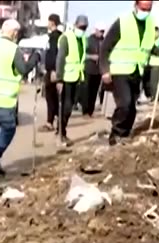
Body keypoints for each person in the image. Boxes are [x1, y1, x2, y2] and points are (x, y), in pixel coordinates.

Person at [100, 0, 157, 146]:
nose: (145, 12)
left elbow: (148, 46)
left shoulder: (150, 24)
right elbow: (106, 46)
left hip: (137, 70)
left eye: (148, 9)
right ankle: (116, 135)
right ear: (135, 5)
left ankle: (125, 135)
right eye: (143, 8)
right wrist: (105, 70)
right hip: (119, 71)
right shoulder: (123, 21)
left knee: (131, 108)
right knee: (124, 104)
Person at [0, 19, 33, 176]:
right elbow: (22, 69)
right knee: (9, 129)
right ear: (14, 33)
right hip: (5, 100)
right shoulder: (13, 49)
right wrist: (33, 60)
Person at [55, 16, 89, 145]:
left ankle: (62, 131)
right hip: (66, 78)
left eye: (84, 28)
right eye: (80, 27)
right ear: (75, 25)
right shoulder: (66, 38)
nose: (82, 30)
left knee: (69, 107)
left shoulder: (83, 39)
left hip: (77, 77)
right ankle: (60, 132)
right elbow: (60, 59)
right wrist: (59, 79)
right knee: (66, 107)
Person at [41, 14, 62, 130]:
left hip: (52, 71)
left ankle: (50, 122)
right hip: (50, 70)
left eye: (49, 22)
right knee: (51, 96)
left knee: (51, 96)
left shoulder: (55, 37)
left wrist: (53, 70)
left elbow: (54, 54)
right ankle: (54, 119)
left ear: (52, 22)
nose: (47, 24)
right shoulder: (53, 36)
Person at [82, 25, 104, 116]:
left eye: (103, 31)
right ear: (96, 30)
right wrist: (91, 57)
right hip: (88, 68)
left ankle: (90, 111)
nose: (101, 33)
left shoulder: (104, 40)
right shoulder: (88, 40)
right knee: (87, 90)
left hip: (98, 70)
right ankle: (85, 110)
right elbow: (83, 53)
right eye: (100, 31)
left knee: (94, 92)